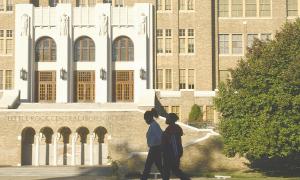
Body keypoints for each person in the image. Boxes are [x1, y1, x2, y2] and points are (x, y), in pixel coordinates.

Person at [161, 113, 190, 180]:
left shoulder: (173, 129)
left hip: (171, 155)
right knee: (170, 171)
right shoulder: (171, 128)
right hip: (169, 154)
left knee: (173, 171)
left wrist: (176, 155)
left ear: (171, 119)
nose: (166, 119)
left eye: (167, 117)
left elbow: (174, 144)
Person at [141, 111, 164, 180]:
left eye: (145, 119)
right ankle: (166, 177)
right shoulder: (153, 125)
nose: (145, 121)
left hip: (155, 149)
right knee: (159, 166)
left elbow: (160, 137)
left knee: (147, 167)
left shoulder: (154, 126)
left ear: (149, 118)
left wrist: (160, 147)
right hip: (155, 148)